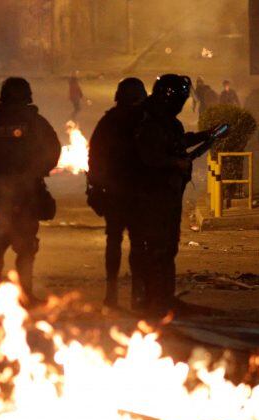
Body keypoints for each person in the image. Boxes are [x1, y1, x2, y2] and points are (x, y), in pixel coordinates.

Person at [0, 77, 61, 307]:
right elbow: (53, 149)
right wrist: (37, 171)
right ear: (27, 96)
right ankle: (25, 294)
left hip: (0, 188)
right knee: (26, 245)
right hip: (27, 190)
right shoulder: (36, 122)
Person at [135, 74, 213, 316]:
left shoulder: (168, 122)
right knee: (157, 249)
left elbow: (177, 142)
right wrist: (174, 164)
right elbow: (147, 158)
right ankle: (152, 300)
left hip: (169, 195)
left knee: (168, 248)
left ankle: (163, 298)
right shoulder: (148, 122)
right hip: (152, 196)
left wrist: (204, 136)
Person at [87, 77, 148, 309]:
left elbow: (94, 156)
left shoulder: (109, 121)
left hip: (115, 192)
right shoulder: (146, 121)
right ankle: (137, 293)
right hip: (139, 193)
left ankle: (111, 292)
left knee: (114, 240)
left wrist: (97, 184)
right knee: (138, 244)